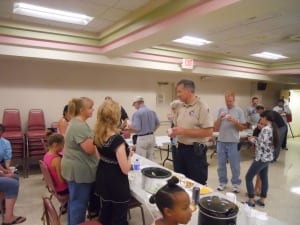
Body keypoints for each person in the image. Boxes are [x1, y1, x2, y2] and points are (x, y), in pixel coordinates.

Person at [94, 99, 134, 225]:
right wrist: (129, 156)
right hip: (116, 183)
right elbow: (125, 169)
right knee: (119, 218)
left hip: (103, 177)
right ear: (116, 117)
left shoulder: (98, 135)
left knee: (105, 213)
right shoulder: (117, 140)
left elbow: (99, 157)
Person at [61, 97, 99, 225]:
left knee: (75, 201)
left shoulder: (78, 123)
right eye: (90, 108)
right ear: (82, 110)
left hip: (76, 169)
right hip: (79, 172)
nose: (93, 109)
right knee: (79, 204)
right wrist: (100, 140)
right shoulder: (79, 126)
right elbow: (89, 149)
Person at [168, 79, 213, 185]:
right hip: (179, 149)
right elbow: (177, 125)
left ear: (188, 91)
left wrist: (183, 131)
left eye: (179, 91)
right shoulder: (180, 106)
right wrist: (174, 131)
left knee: (196, 183)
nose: (177, 95)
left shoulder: (202, 107)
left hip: (194, 152)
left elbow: (208, 132)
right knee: (179, 180)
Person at [244, 110, 279, 207]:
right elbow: (266, 142)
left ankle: (251, 200)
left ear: (266, 118)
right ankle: (262, 199)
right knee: (264, 178)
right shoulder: (272, 128)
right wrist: (257, 138)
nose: (261, 120)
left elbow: (261, 144)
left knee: (248, 177)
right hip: (267, 158)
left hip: (261, 158)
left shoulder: (266, 129)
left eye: (262, 118)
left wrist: (252, 139)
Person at [214, 90, 246, 193]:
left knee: (235, 165)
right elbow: (216, 126)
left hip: (233, 142)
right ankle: (222, 182)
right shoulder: (221, 109)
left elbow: (242, 128)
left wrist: (234, 121)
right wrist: (220, 117)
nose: (229, 103)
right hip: (221, 141)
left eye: (231, 101)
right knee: (221, 164)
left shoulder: (239, 111)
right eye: (227, 101)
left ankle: (235, 184)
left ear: (234, 100)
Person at [43, 133, 68, 213]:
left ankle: (65, 205)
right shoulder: (56, 159)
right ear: (55, 145)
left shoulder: (46, 156)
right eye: (62, 145)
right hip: (62, 190)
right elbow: (61, 180)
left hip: (54, 188)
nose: (63, 147)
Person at [129, 96, 160, 160]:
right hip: (152, 137)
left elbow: (137, 128)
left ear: (137, 103)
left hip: (142, 139)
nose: (134, 107)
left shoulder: (137, 113)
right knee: (151, 160)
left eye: (134, 105)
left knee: (142, 160)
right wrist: (151, 131)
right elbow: (158, 124)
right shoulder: (152, 111)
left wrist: (130, 126)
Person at [168, 100, 182, 172]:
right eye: (172, 109)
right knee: (176, 164)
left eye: (174, 109)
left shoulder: (182, 118)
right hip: (174, 142)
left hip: (179, 144)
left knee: (179, 165)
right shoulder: (174, 117)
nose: (172, 111)